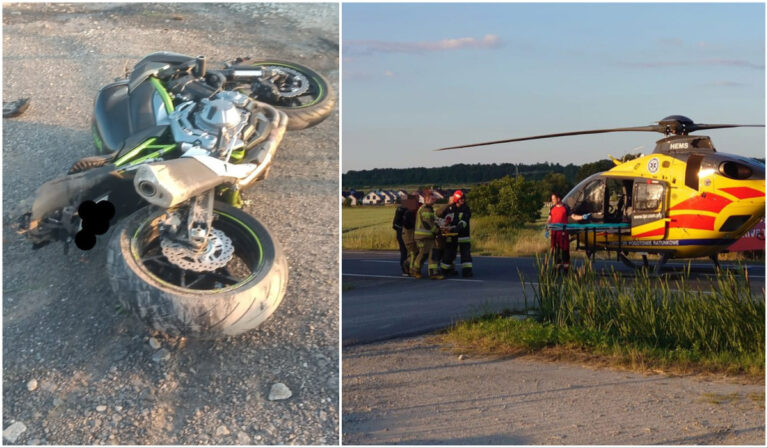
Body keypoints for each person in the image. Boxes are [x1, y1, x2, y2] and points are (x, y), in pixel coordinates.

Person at [412, 189, 444, 280]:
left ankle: (433, 273)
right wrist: (438, 231)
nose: (435, 200)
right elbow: (429, 223)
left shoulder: (428, 208)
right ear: (427, 199)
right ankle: (415, 270)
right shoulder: (426, 209)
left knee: (432, 254)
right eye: (433, 198)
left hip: (428, 237)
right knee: (423, 254)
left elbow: (433, 221)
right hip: (423, 237)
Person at [547, 192, 572, 272]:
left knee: (565, 251)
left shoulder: (566, 207)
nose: (552, 201)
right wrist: (547, 228)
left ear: (558, 199)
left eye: (553, 199)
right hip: (554, 234)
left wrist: (582, 217)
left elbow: (573, 216)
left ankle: (566, 270)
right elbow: (549, 219)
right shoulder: (552, 208)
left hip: (563, 233)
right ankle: (557, 269)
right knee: (556, 252)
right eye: (552, 199)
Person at [400, 194, 419, 276]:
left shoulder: (408, 211)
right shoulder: (408, 213)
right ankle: (410, 269)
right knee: (413, 253)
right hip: (409, 235)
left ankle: (408, 266)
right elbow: (409, 225)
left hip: (408, 235)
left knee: (413, 253)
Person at [392, 202, 409, 275]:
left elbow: (395, 225)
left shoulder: (402, 209)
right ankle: (405, 269)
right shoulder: (401, 209)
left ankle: (407, 268)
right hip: (403, 233)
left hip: (402, 233)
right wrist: (403, 229)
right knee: (405, 251)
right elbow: (395, 224)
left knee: (405, 251)